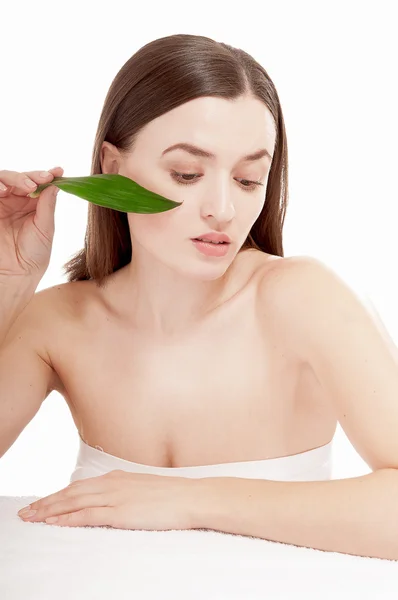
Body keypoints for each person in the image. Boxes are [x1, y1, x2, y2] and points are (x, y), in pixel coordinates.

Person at [0, 33, 337, 483]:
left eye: (248, 179)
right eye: (187, 173)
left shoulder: (304, 301)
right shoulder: (58, 323)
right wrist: (10, 281)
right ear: (113, 169)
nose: (223, 209)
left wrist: (175, 499)